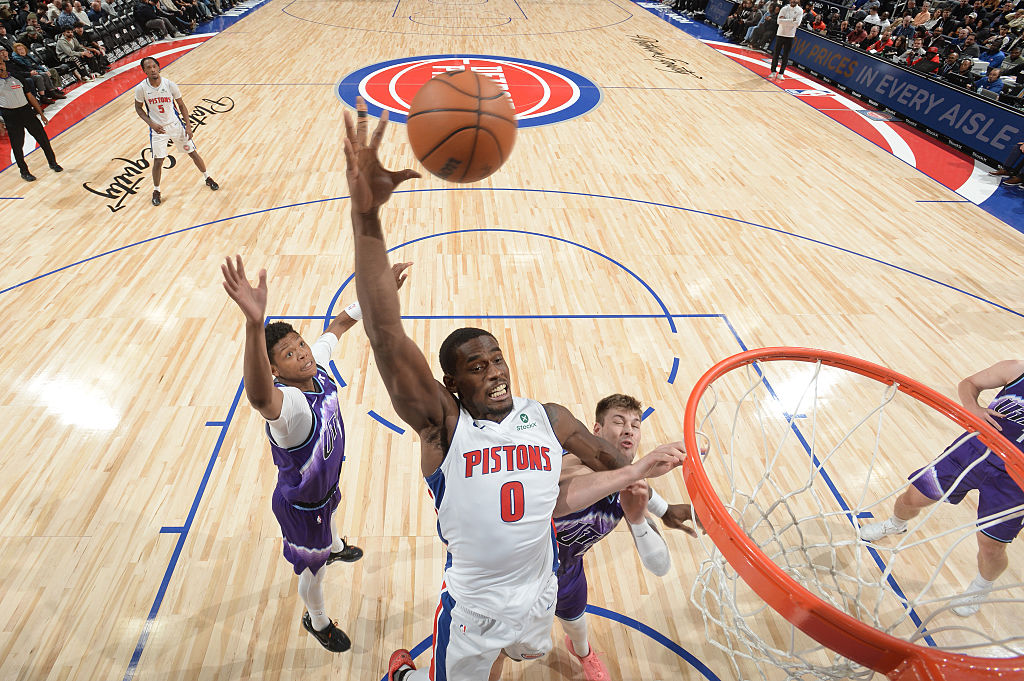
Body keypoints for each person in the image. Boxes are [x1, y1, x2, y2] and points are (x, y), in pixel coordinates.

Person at [335, 96, 687, 681]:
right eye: (477, 367)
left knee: (506, 664)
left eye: (497, 359)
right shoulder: (443, 426)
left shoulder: (546, 416)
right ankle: (404, 675)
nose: (494, 371)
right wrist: (366, 216)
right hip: (474, 607)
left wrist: (659, 504)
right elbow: (385, 334)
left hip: (539, 590)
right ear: (452, 383)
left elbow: (610, 461)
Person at [219, 257, 407, 651]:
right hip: (303, 507)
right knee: (314, 571)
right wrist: (255, 325)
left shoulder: (315, 364)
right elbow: (258, 396)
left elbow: (339, 324)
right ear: (276, 371)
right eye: (288, 355)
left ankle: (335, 546)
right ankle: (316, 619)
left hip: (324, 488)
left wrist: (377, 294)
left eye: (300, 344)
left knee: (333, 511)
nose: (302, 353)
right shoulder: (289, 407)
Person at [486, 393, 701, 681]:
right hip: (521, 576)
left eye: (636, 425)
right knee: (498, 648)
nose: (629, 430)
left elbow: (660, 566)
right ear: (596, 431)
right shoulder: (571, 467)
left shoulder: (630, 480)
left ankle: (584, 653)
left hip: (569, 568)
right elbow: (566, 494)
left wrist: (663, 510)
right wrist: (640, 486)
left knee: (576, 623)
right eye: (619, 422)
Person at [859, 360, 1024, 616]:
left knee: (991, 546)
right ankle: (895, 524)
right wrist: (973, 408)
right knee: (911, 499)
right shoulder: (1016, 369)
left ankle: (981, 586)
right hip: (973, 451)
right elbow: (969, 383)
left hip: (1015, 481)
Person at [133, 56, 218, 206]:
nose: (152, 69)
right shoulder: (141, 88)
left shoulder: (169, 84)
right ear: (144, 71)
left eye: (154, 66)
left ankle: (207, 177)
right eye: (148, 67)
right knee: (158, 161)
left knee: (192, 153)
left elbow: (181, 105)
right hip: (158, 129)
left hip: (175, 125)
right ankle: (156, 190)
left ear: (158, 67)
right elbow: (138, 109)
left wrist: (188, 125)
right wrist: (151, 124)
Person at [0, 58, 60, 180]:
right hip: (10, 115)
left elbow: (30, 96)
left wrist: (41, 114)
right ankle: (24, 171)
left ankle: (53, 162)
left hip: (26, 111)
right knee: (17, 145)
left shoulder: (17, 78)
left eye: (0, 63)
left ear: (4, 64)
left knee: (42, 138)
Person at [769, 0, 802, 80]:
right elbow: (778, 21)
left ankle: (781, 73)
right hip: (780, 33)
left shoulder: (800, 10)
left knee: (786, 55)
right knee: (776, 54)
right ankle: (773, 71)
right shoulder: (784, 8)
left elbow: (797, 23)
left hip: (790, 35)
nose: (793, 1)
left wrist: (785, 20)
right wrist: (792, 20)